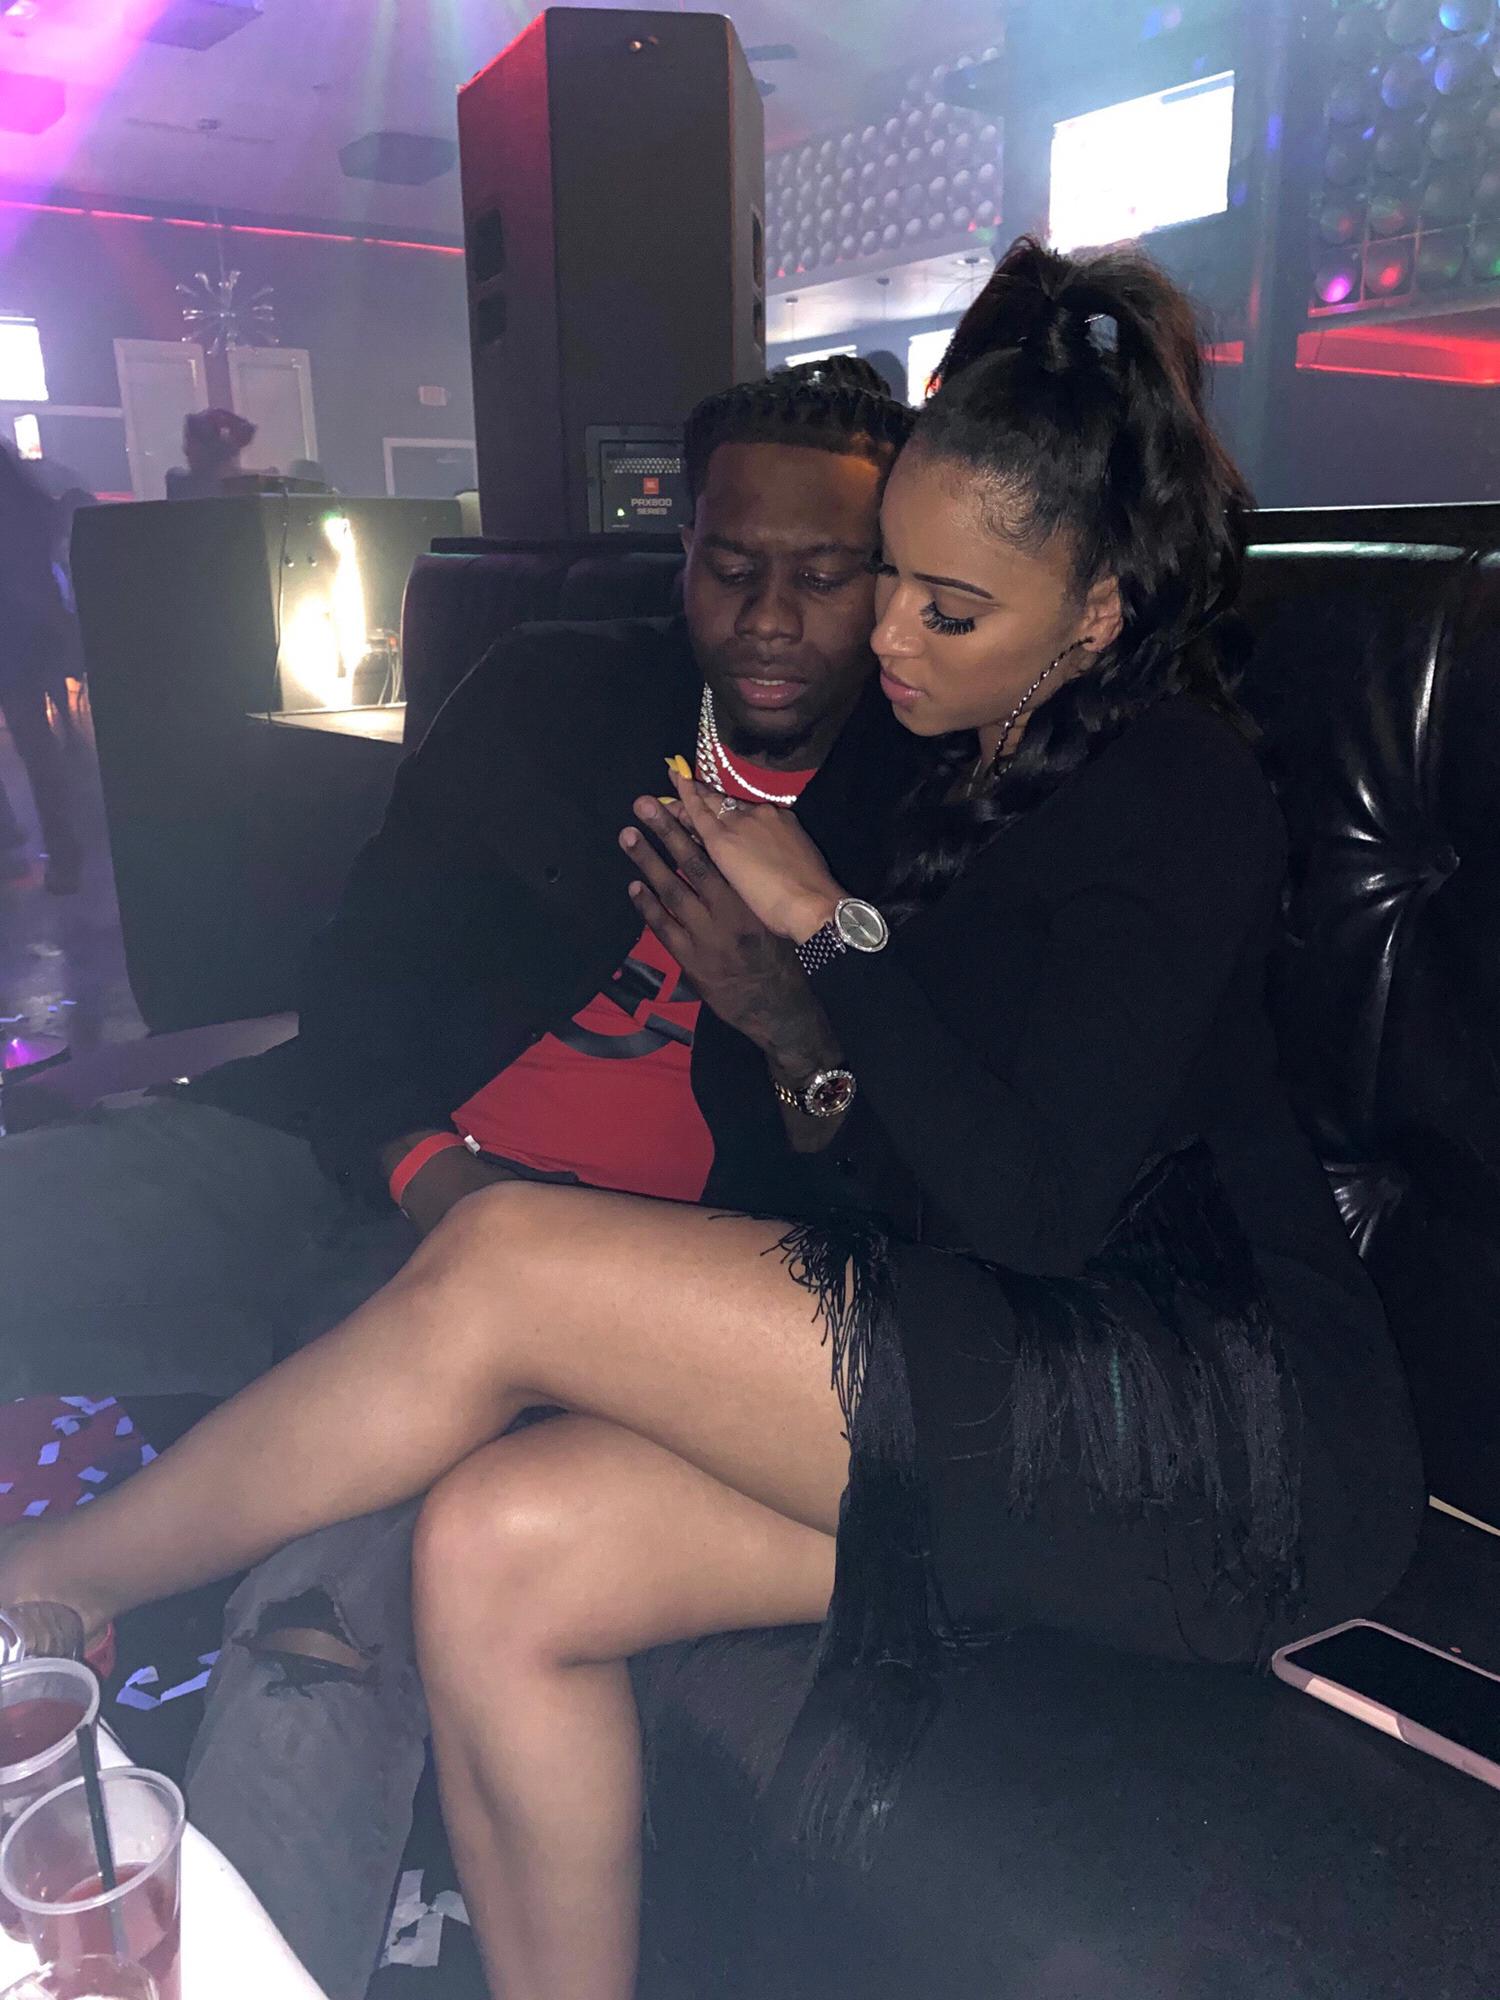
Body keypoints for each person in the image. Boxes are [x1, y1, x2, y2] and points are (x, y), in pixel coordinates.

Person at [0, 240, 1425, 2000]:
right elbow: (878, 1155)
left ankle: (45, 1589)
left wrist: (827, 932)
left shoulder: (1176, 787)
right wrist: (801, 1026)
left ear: (1097, 615)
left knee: (508, 1260)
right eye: (891, 581)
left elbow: (1037, 1213)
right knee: (493, 1548)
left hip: (1223, 1433)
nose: (881, 639)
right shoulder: (958, 766)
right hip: (1014, 1369)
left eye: (941, 608)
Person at [0, 356, 916, 1994]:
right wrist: (438, 1183)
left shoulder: (926, 805)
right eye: (732, 565)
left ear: (890, 581)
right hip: (347, 1165)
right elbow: (358, 977)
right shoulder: (558, 696)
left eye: (825, 574)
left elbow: (890, 1178)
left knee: (322, 1635)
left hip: (573, 1312)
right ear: (683, 551)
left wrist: (789, 1010)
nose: (772, 617)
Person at [0, 444, 82, 894]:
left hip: (15, 632)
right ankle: (63, 854)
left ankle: (14, 846)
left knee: (35, 744)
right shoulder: (23, 494)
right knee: (37, 747)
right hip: (28, 630)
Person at [164, 408, 257, 501]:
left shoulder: (179, 484)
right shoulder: (178, 483)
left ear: (213, 450)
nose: (186, 451)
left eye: (192, 445)